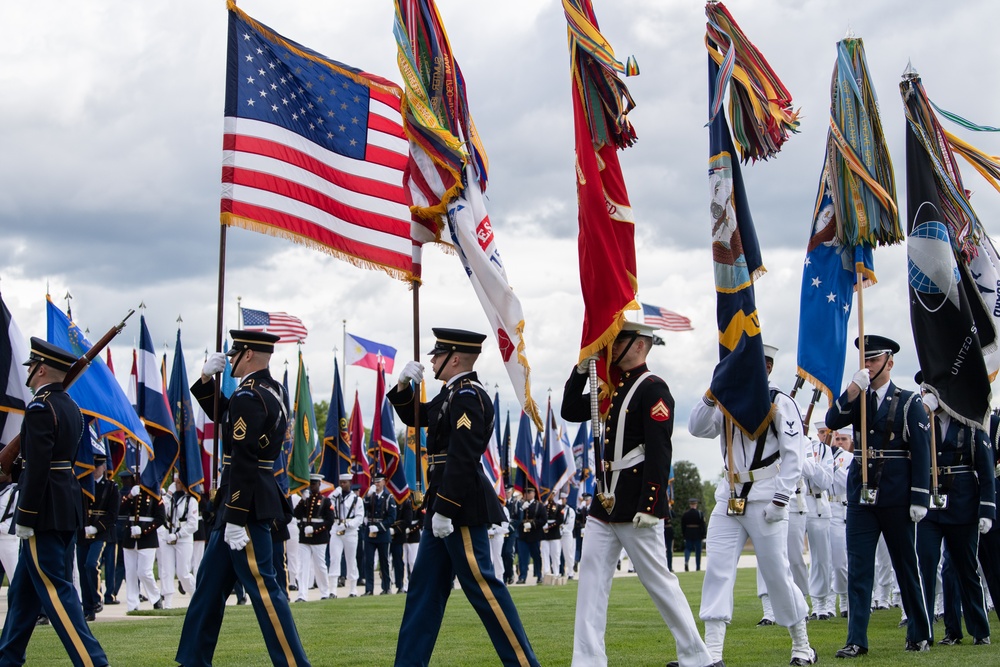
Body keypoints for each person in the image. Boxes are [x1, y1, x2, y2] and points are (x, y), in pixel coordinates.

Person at [564, 321, 718, 667]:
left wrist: (651, 504)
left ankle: (698, 657)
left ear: (639, 345)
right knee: (591, 579)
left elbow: (660, 450)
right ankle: (587, 660)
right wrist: (579, 368)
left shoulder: (653, 388)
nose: (610, 346)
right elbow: (570, 410)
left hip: (636, 503)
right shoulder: (612, 388)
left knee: (658, 581)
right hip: (605, 501)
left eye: (617, 340)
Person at [388, 327, 540, 667]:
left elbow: (462, 457)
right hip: (442, 505)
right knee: (423, 594)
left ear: (454, 358)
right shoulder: (452, 393)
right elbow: (420, 417)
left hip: (459, 507)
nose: (431, 359)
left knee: (485, 591)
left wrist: (445, 509)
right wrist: (401, 388)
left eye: (437, 355)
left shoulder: (469, 396)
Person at [176, 330, 309, 667]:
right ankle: (193, 660)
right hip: (240, 501)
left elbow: (245, 458)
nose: (230, 359)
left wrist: (235, 517)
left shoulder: (249, 396)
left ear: (248, 354)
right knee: (207, 591)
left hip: (244, 505)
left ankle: (294, 663)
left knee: (265, 591)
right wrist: (206, 380)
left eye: (235, 353)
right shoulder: (271, 390)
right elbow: (226, 417)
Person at [689, 341, 816, 666]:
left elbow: (793, 456)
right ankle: (712, 652)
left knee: (777, 573)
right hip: (729, 496)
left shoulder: (778, 402)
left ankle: (802, 645)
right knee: (717, 571)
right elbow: (697, 427)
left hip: (766, 496)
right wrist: (712, 392)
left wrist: (781, 497)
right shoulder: (726, 400)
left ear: (767, 367)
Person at [0, 338, 108, 667]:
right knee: (22, 596)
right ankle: (8, 658)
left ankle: (93, 661)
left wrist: (26, 515)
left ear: (42, 368)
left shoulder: (39, 407)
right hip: (65, 505)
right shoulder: (71, 407)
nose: (29, 373)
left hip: (43, 510)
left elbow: (37, 468)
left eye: (32, 367)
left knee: (56, 591)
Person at [824, 335, 932, 657]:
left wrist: (919, 497)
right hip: (861, 496)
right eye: (865, 360)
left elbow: (922, 451)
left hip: (897, 496)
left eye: (873, 360)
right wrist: (852, 390)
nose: (868, 365)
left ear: (889, 362)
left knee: (905, 566)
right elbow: (832, 422)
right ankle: (856, 640)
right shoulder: (857, 398)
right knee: (858, 568)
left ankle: (919, 633)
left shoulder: (910, 401)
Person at [914, 374, 994, 645]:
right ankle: (923, 633)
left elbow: (985, 469)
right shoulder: (920, 421)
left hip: (962, 503)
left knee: (964, 568)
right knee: (923, 565)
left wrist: (986, 510)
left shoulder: (970, 424)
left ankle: (978, 630)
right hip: (928, 506)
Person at [77, 454, 119, 621]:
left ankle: (97, 598)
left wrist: (96, 527)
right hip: (83, 532)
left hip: (100, 532)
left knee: (91, 564)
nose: (94, 469)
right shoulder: (83, 485)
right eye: (92, 466)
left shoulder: (110, 487)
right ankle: (89, 609)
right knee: (82, 568)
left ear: (103, 467)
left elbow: (112, 514)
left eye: (97, 466)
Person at [120, 476, 165, 612]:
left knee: (144, 572)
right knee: (131, 573)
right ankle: (132, 605)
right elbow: (121, 511)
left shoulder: (154, 495)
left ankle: (156, 598)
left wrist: (144, 530)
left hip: (147, 539)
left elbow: (160, 518)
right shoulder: (132, 493)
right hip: (130, 537)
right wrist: (129, 496)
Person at [293, 473, 333, 601]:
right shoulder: (306, 500)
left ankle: (325, 592)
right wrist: (302, 500)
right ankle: (302, 595)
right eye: (310, 484)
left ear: (319, 484)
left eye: (314, 484)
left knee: (320, 566)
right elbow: (296, 514)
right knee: (303, 566)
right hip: (305, 537)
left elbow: (329, 521)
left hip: (319, 538)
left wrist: (315, 529)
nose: (312, 486)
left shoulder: (326, 501)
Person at [160, 478, 199, 607]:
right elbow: (161, 512)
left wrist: (178, 535)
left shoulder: (191, 500)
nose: (175, 484)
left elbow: (193, 524)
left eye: (178, 482)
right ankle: (168, 603)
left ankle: (195, 596)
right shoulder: (169, 498)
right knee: (166, 570)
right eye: (175, 482)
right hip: (168, 536)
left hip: (183, 538)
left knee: (183, 572)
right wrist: (168, 495)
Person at [829, 428, 854, 618]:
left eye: (843, 439)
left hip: (847, 506)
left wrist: (834, 467)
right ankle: (838, 598)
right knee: (835, 562)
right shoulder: (824, 455)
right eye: (836, 438)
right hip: (830, 507)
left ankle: (848, 599)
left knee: (850, 560)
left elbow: (849, 483)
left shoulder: (851, 458)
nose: (838, 442)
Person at [327, 472, 364, 598]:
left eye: (345, 483)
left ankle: (353, 589)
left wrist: (348, 525)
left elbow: (359, 518)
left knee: (351, 559)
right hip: (336, 528)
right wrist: (334, 494)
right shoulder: (335, 497)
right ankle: (332, 590)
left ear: (350, 483)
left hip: (350, 531)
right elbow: (326, 504)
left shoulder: (357, 499)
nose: (342, 485)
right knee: (334, 558)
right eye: (341, 483)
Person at [362, 474, 396, 595]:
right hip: (370, 532)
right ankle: (369, 589)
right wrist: (367, 496)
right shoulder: (370, 496)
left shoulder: (388, 497)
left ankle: (387, 587)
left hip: (382, 533)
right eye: (375, 482)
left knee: (384, 561)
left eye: (378, 482)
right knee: (369, 562)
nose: (376, 484)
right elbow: (362, 509)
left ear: (384, 482)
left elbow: (392, 517)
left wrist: (379, 527)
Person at [516, 487, 546, 584]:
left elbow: (543, 519)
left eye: (530, 492)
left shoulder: (539, 505)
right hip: (523, 535)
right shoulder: (520, 505)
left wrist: (533, 524)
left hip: (534, 535)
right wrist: (521, 509)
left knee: (536, 556)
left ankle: (539, 575)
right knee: (523, 557)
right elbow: (515, 518)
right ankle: (522, 576)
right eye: (526, 492)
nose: (528, 494)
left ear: (534, 493)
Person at [680, 499, 705, 572]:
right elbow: (702, 525)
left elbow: (683, 525)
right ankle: (698, 566)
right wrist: (703, 534)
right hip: (697, 533)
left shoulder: (685, 514)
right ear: (696, 504)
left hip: (688, 532)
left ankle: (686, 561)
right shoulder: (699, 513)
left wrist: (684, 534)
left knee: (688, 549)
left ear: (690, 505)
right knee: (698, 551)